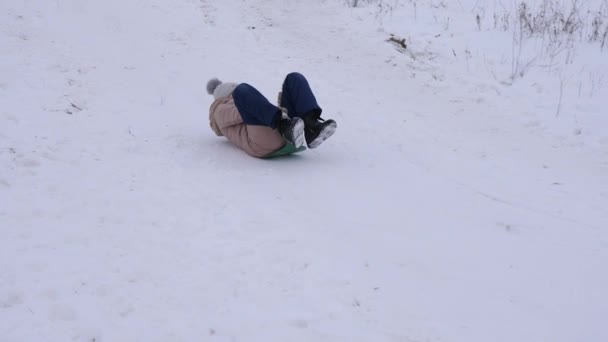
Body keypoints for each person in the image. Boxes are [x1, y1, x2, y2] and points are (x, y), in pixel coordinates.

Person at [206, 72, 337, 158]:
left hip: (277, 129)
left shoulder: (246, 102)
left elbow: (262, 112)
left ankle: (310, 127)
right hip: (262, 143)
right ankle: (285, 126)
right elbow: (242, 113)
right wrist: (277, 111)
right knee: (242, 90)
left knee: (294, 78)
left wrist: (282, 106)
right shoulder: (219, 109)